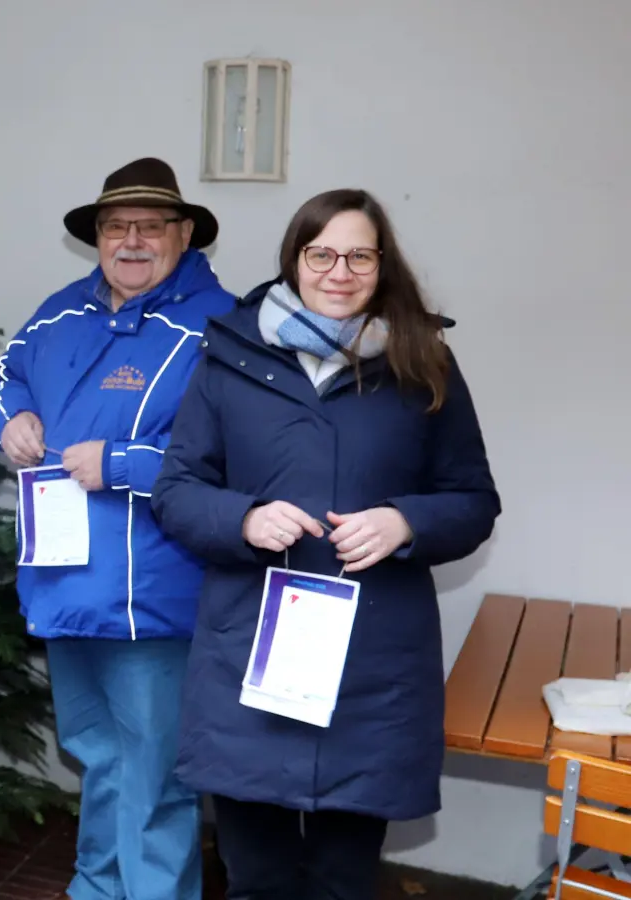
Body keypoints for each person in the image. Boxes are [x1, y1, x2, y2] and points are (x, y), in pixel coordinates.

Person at [151, 188, 501, 899]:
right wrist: (243, 520)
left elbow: (474, 501)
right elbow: (178, 489)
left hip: (371, 664)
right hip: (252, 653)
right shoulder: (230, 354)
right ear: (294, 260)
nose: (339, 271)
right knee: (255, 877)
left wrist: (406, 523)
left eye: (359, 255)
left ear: (382, 264)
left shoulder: (423, 360)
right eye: (321, 254)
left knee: (344, 880)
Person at [0, 157, 236, 900]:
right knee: (97, 756)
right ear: (96, 236)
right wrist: (13, 421)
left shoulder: (221, 326)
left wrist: (123, 463)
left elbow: (235, 461)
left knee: (154, 776)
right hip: (63, 580)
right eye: (114, 226)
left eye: (149, 226)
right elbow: (4, 384)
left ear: (184, 235)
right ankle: (93, 890)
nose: (130, 241)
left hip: (156, 594)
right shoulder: (59, 310)